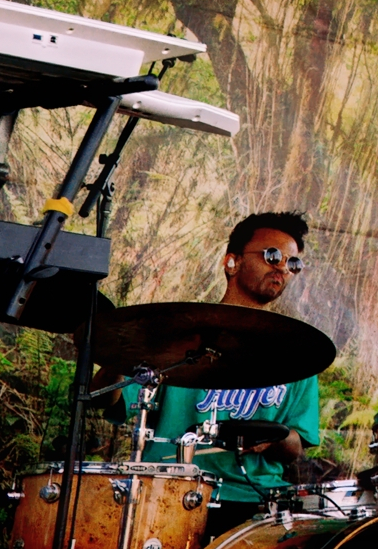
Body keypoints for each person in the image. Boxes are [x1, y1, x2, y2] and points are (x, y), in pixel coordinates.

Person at [124, 212, 323, 529]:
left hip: (255, 502)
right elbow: (111, 402)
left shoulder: (297, 352)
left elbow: (295, 447)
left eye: (293, 263)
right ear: (232, 262)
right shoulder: (178, 335)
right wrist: (111, 352)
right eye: (272, 256)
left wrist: (276, 436)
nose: (282, 268)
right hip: (170, 489)